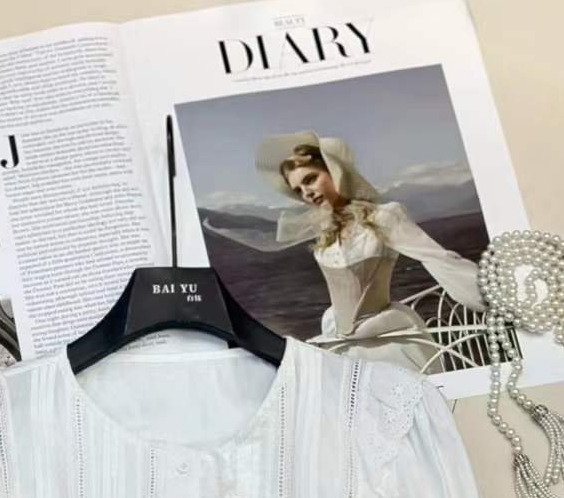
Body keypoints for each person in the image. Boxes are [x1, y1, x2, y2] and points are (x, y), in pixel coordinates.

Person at [203, 129, 485, 371]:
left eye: (310, 179)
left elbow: (437, 257)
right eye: (298, 190)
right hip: (340, 344)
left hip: (385, 343)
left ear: (335, 170)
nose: (306, 193)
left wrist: (490, 297)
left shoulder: (384, 216)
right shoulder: (325, 231)